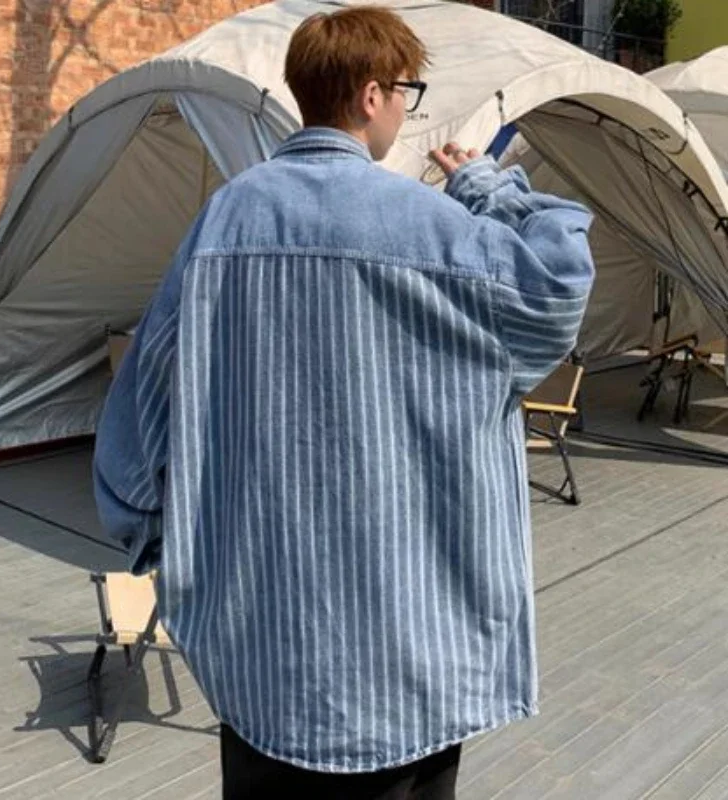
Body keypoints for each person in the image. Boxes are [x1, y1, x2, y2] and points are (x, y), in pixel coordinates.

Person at [93, 5, 594, 798]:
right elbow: (558, 283)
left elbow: (143, 403)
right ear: (370, 95)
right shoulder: (439, 227)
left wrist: (156, 537)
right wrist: (485, 187)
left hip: (260, 652)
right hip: (413, 660)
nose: (406, 111)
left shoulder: (226, 219)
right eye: (406, 93)